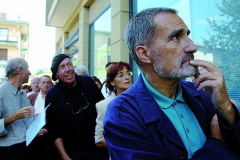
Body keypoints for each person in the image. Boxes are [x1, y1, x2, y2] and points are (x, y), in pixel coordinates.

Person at [103, 7, 240, 159]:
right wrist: (216, 142)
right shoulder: (122, 115)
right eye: (176, 37)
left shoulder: (201, 91)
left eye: (187, 36)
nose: (192, 46)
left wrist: (226, 108)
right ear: (144, 54)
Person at [45, 54, 107, 160]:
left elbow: (103, 109)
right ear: (56, 74)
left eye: (69, 64)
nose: (68, 69)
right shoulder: (52, 95)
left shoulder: (88, 82)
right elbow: (54, 131)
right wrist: (64, 156)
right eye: (62, 67)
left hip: (97, 149)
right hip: (72, 153)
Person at [95, 62, 132, 159]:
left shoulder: (141, 99)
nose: (127, 77)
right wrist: (127, 142)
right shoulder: (103, 105)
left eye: (128, 73)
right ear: (112, 82)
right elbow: (99, 140)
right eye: (121, 75)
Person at [0, 58, 34, 160]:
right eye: (27, 68)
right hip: (9, 151)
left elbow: (29, 118)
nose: (30, 72)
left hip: (27, 146)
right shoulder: (1, 93)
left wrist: (37, 129)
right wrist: (14, 116)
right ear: (19, 70)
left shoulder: (22, 93)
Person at [27, 75, 57, 160]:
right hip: (34, 136)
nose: (46, 85)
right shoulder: (31, 97)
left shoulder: (55, 98)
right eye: (43, 82)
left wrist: (48, 130)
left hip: (49, 136)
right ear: (39, 84)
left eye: (48, 82)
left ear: (51, 84)